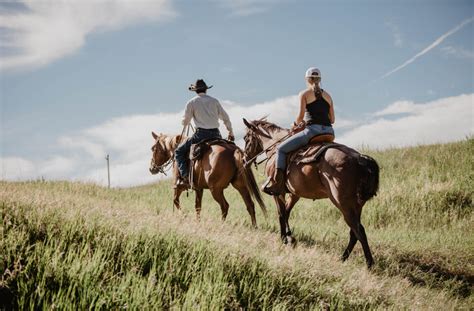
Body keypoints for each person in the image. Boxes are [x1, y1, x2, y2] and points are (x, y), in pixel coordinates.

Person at [263, 67, 335, 195]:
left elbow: (300, 117)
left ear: (307, 79)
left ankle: (277, 184)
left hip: (313, 131)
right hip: (329, 132)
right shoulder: (328, 96)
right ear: (320, 79)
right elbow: (332, 119)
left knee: (281, 149)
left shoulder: (304, 94)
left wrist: (295, 125)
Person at [175, 79, 234, 188]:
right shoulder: (215, 101)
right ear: (206, 90)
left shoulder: (191, 102)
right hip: (216, 134)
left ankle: (185, 178)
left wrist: (184, 121)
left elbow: (185, 122)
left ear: (195, 91)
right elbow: (226, 118)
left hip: (200, 135)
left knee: (179, 151)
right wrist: (230, 131)